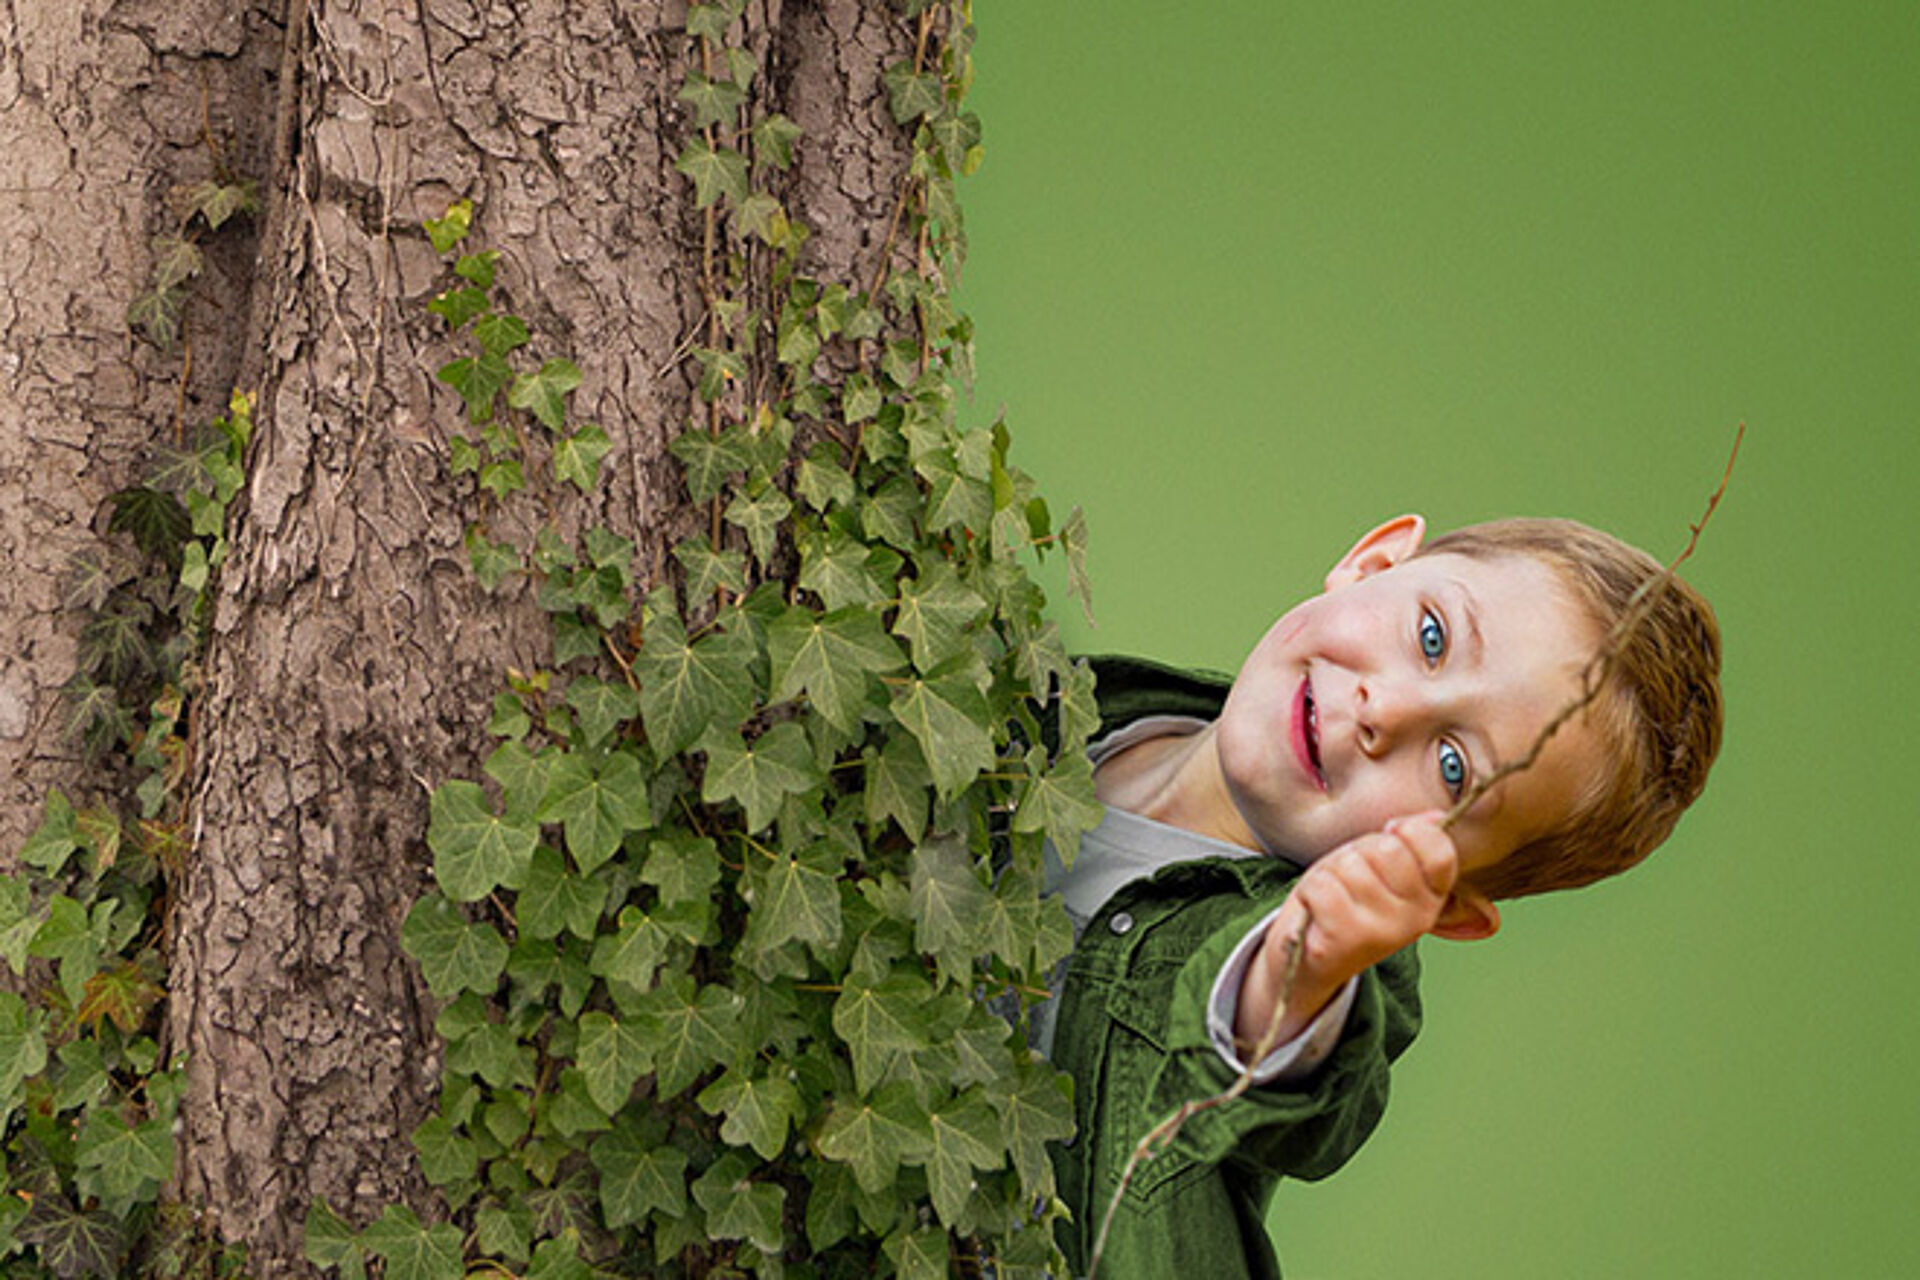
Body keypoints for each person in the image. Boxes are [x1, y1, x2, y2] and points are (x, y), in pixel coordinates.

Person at [1041, 513, 1723, 1278]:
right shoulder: (1043, 702)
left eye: (1455, 769)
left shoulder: (1335, 971)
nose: (1386, 711)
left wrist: (1307, 965)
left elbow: (1292, 1055)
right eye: (1432, 637)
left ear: (1443, 905)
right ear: (1371, 562)